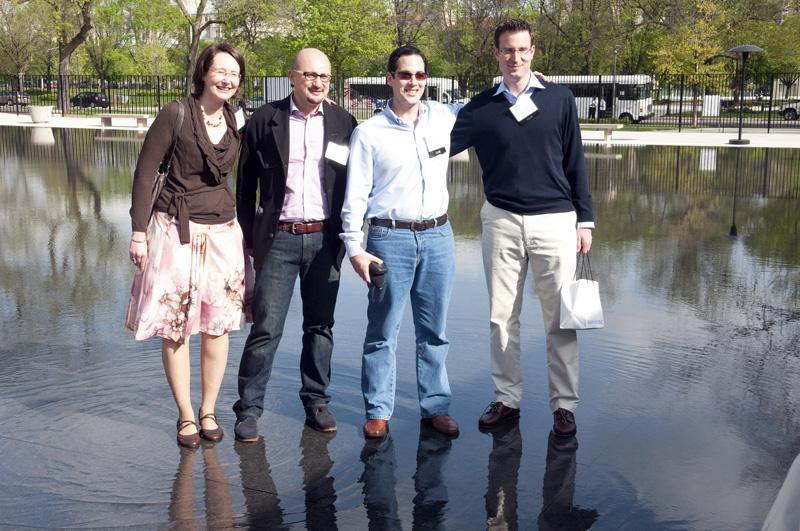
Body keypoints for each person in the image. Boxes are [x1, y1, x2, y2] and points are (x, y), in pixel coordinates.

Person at [450, 19, 594, 437]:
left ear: (534, 51)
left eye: (522, 50)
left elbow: (576, 161)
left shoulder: (560, 99)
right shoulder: (479, 108)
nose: (515, 58)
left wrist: (585, 219)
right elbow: (432, 141)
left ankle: (564, 405)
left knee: (560, 320)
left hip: (556, 222)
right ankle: (506, 398)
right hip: (503, 219)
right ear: (496, 54)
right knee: (501, 317)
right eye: (507, 50)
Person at [126, 42, 247, 448]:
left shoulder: (236, 119)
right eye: (221, 71)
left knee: (218, 327)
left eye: (234, 73)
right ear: (203, 73)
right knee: (176, 325)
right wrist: (139, 231)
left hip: (224, 232)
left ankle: (209, 409)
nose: (227, 79)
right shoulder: (176, 113)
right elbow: (145, 174)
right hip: (175, 229)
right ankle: (186, 416)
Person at [234, 48, 358, 441]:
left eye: (324, 76)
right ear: (292, 76)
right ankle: (249, 409)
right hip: (278, 240)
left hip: (325, 240)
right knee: (266, 328)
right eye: (309, 75)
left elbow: (359, 182)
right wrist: (247, 237)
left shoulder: (344, 122)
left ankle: (316, 401)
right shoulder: (264, 119)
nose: (317, 82)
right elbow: (243, 185)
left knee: (320, 326)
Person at [341, 45, 461, 439]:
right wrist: (355, 248)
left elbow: (491, 109)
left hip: (439, 236)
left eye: (420, 75)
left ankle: (435, 407)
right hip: (389, 237)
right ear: (390, 78)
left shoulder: (443, 118)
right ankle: (378, 409)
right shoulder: (369, 133)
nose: (413, 82)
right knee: (383, 330)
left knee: (435, 331)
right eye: (405, 75)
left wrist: (534, 86)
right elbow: (355, 196)